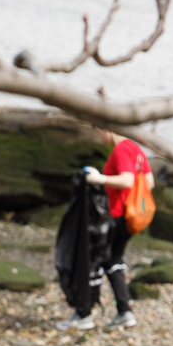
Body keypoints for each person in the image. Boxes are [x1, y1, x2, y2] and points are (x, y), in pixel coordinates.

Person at [58, 131, 154, 333]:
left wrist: (99, 178)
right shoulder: (136, 149)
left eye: (97, 128)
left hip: (116, 216)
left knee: (94, 260)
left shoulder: (121, 150)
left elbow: (127, 181)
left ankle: (84, 314)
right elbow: (149, 183)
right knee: (113, 260)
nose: (97, 134)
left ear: (107, 128)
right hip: (132, 217)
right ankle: (124, 311)